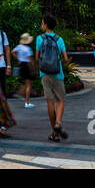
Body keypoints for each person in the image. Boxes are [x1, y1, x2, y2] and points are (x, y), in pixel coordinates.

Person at [34, 14, 70, 142]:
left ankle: (54, 133)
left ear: (45, 25)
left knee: (50, 102)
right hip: (57, 73)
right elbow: (65, 58)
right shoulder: (59, 39)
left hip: (44, 74)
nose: (41, 25)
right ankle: (58, 123)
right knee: (60, 100)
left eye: (42, 23)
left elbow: (37, 57)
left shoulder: (39, 38)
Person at [14, 32, 36, 108]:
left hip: (21, 65)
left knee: (25, 82)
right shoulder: (28, 49)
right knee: (29, 85)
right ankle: (27, 102)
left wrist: (18, 58)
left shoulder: (19, 47)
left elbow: (12, 52)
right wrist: (33, 69)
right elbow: (30, 61)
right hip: (27, 66)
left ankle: (21, 93)